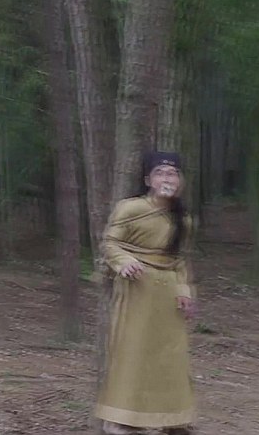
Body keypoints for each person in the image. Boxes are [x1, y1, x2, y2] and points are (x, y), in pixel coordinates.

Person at [94, 151, 196, 435]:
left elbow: (179, 259)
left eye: (172, 173)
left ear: (180, 180)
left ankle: (173, 418)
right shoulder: (130, 208)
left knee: (170, 356)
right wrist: (124, 261)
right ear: (148, 180)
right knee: (132, 351)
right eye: (160, 173)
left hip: (168, 295)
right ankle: (121, 418)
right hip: (137, 289)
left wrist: (184, 290)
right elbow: (110, 243)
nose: (167, 179)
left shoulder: (183, 219)